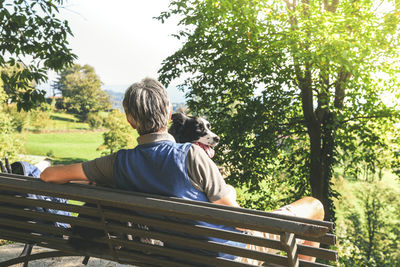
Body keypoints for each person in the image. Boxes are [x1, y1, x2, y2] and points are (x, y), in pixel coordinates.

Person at [40, 77, 324, 265]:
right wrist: (234, 196)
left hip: (172, 255)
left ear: (129, 120)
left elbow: (48, 176)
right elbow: (239, 220)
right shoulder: (191, 155)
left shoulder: (117, 163)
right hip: (226, 256)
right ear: (169, 112)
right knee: (314, 206)